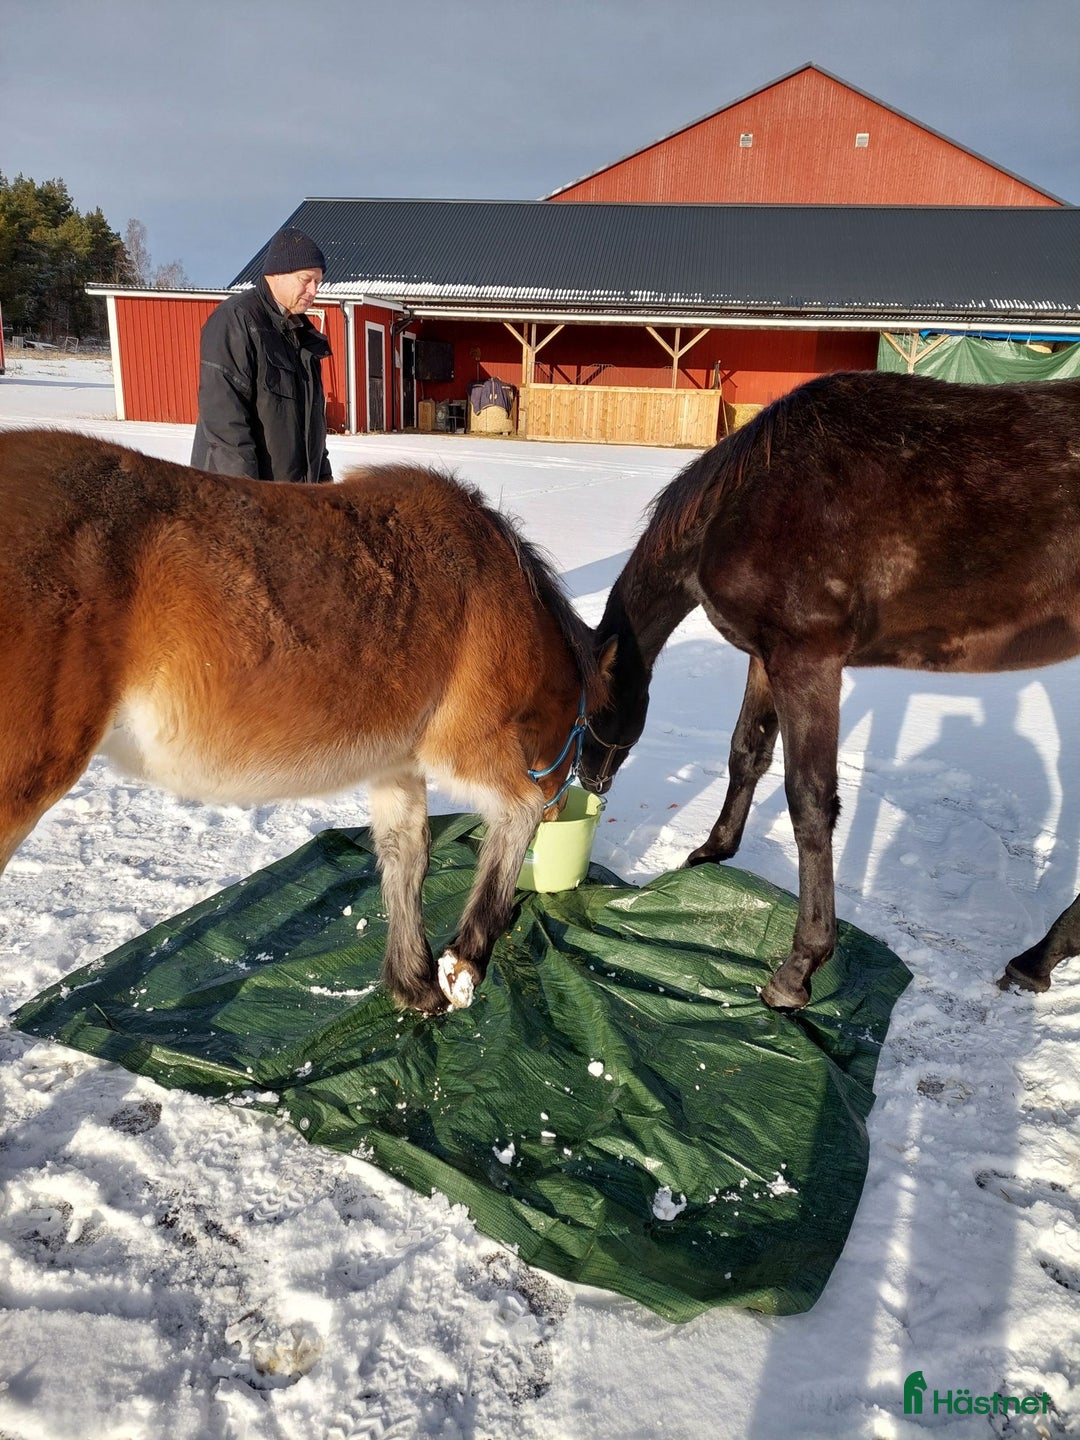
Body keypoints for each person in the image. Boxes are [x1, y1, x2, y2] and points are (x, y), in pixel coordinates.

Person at [191, 227, 334, 482]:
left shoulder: (302, 337)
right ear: (277, 273)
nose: (314, 291)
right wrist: (247, 499)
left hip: (290, 500)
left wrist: (323, 486)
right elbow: (225, 422)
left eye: (318, 282)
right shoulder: (236, 320)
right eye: (306, 280)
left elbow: (314, 429)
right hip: (241, 498)